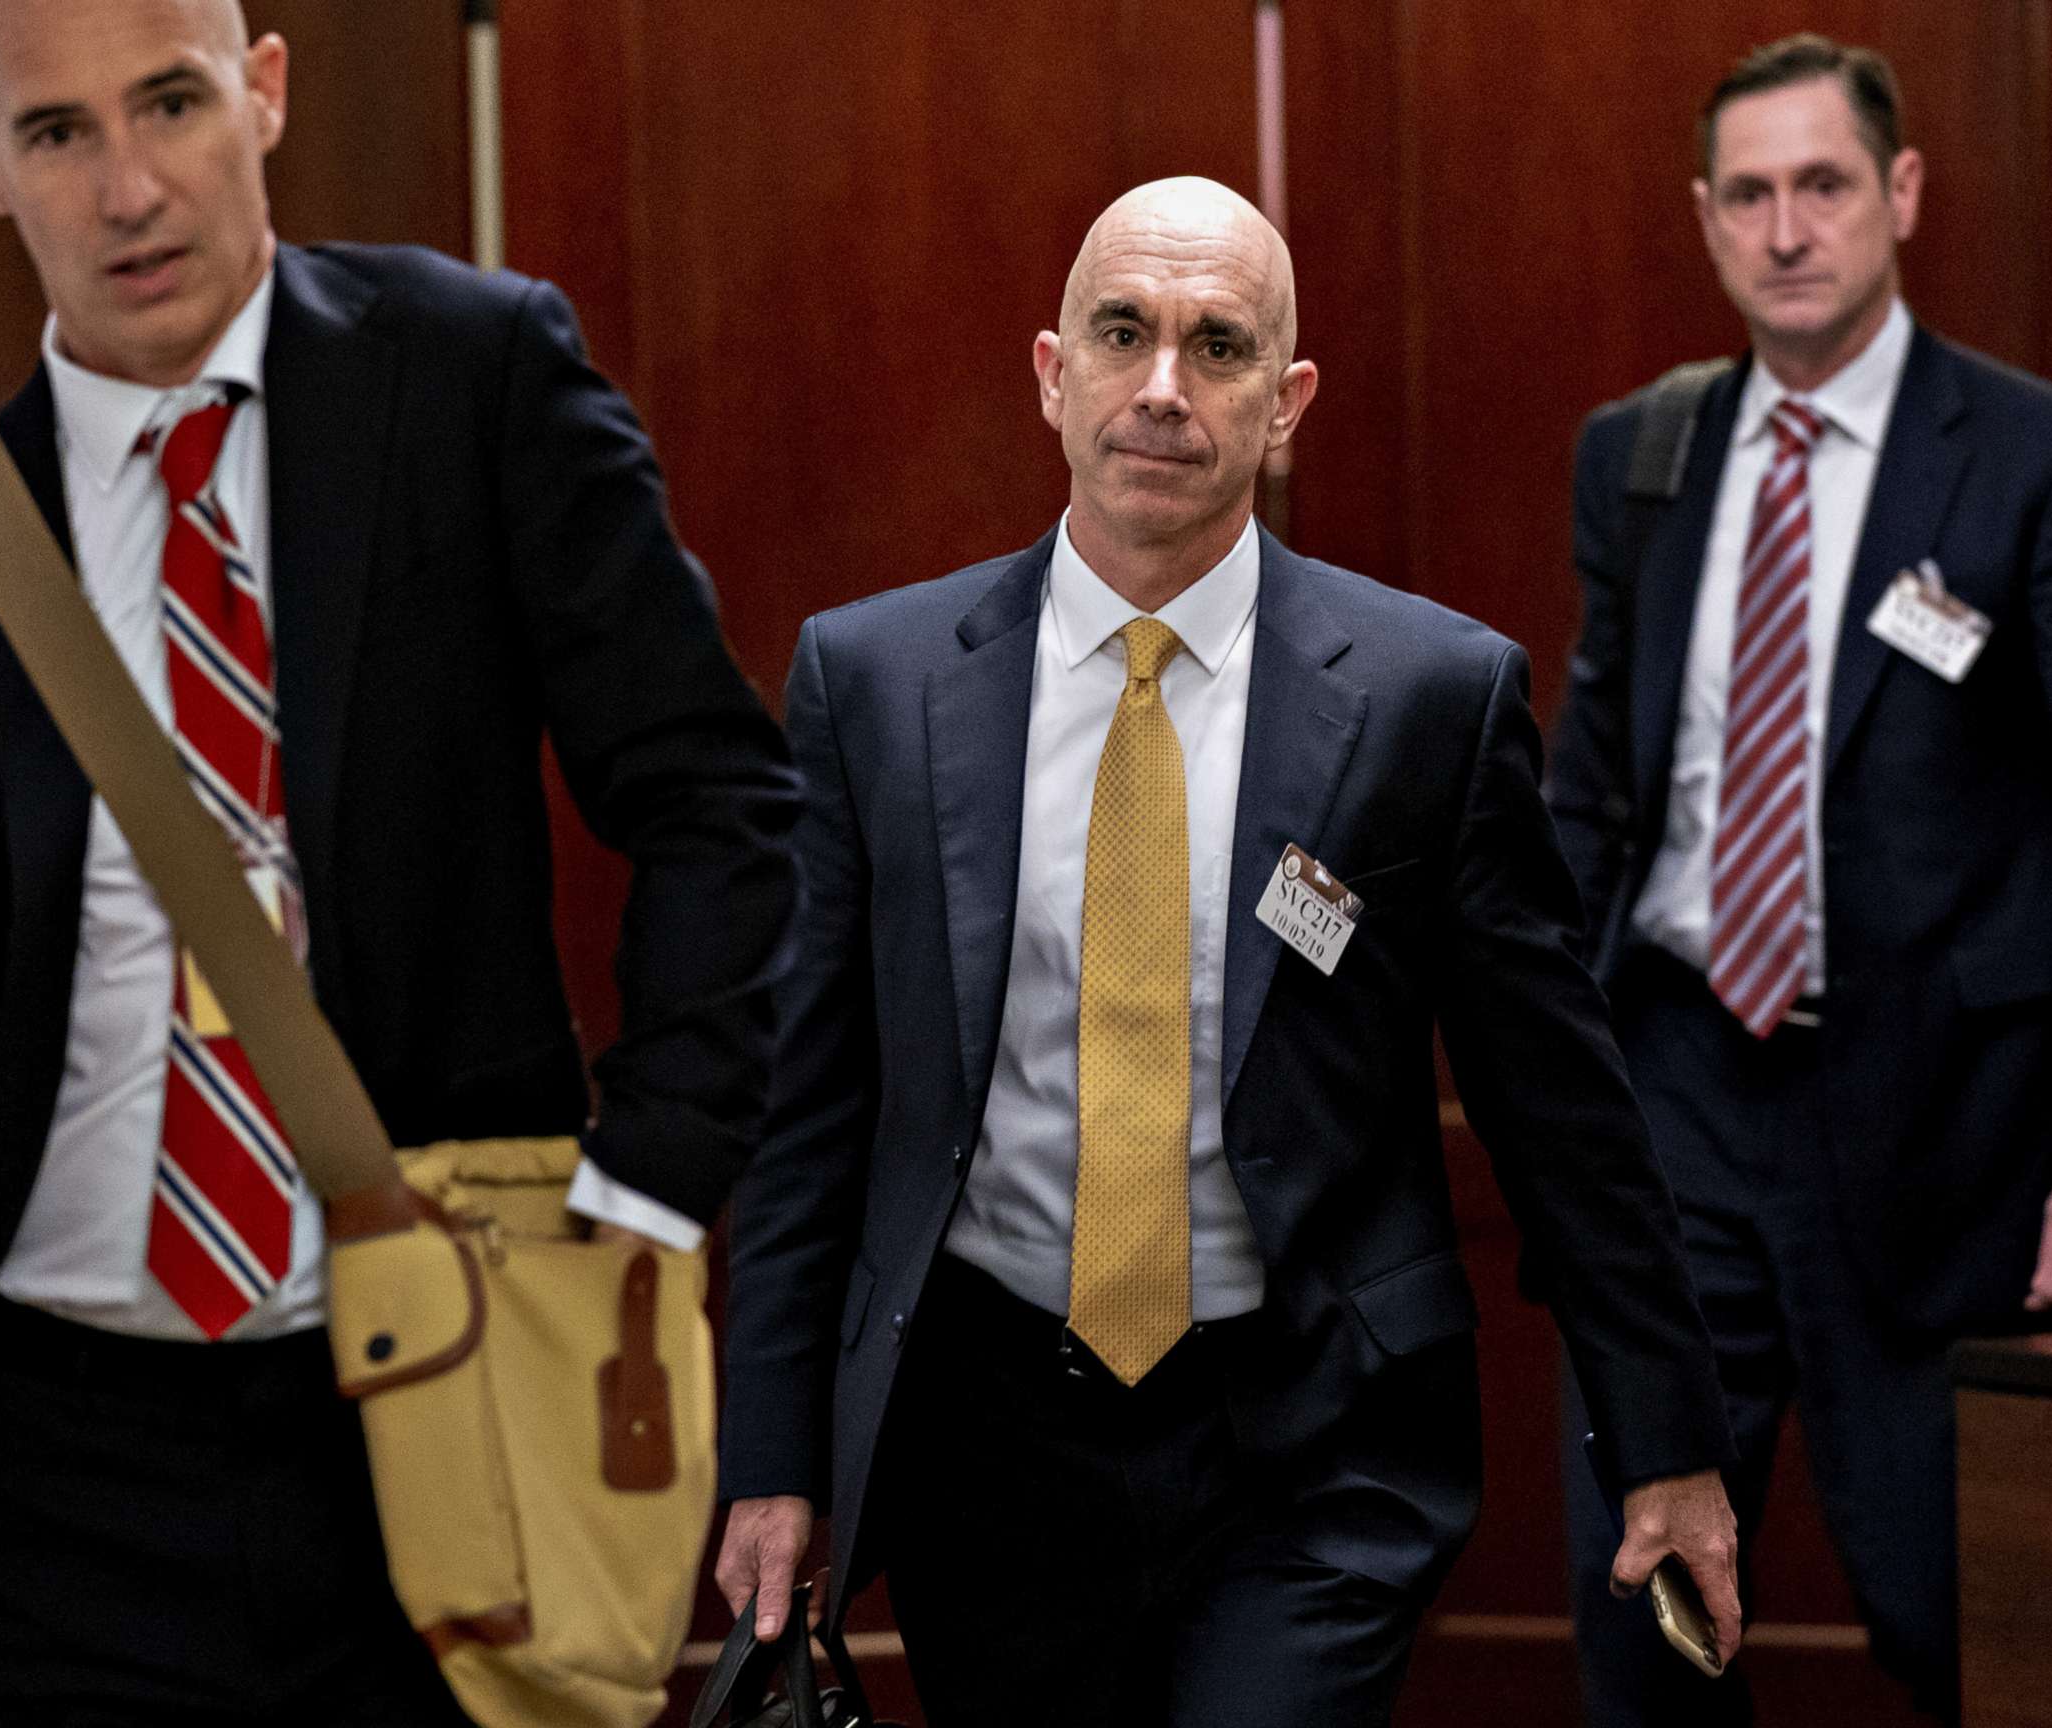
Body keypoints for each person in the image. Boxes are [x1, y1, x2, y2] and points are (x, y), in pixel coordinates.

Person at [0, 0, 796, 1720]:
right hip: (44, 1461)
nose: (129, 189)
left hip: (439, 1405)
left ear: (264, 92)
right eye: (58, 134)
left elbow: (720, 804)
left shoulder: (475, 379)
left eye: (169, 102)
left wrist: (647, 1183)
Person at [711, 175, 1741, 1727]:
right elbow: (809, 1122)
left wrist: (1667, 1442)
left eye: (1221, 346)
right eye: (1122, 334)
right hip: (988, 1445)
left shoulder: (1428, 698)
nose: (1165, 389)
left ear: (1289, 401)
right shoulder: (877, 683)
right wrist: (774, 1465)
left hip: (1316, 1441)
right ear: (1053, 374)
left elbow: (1564, 1117)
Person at [1545, 34, 2052, 1725]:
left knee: (1956, 1622)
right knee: (1642, 1622)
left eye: (1825, 185)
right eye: (1752, 195)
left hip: (1945, 1133)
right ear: (1706, 221)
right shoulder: (1641, 458)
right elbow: (1591, 799)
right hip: (1679, 1087)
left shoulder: (2040, 462)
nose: (1789, 230)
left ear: (1902, 195)